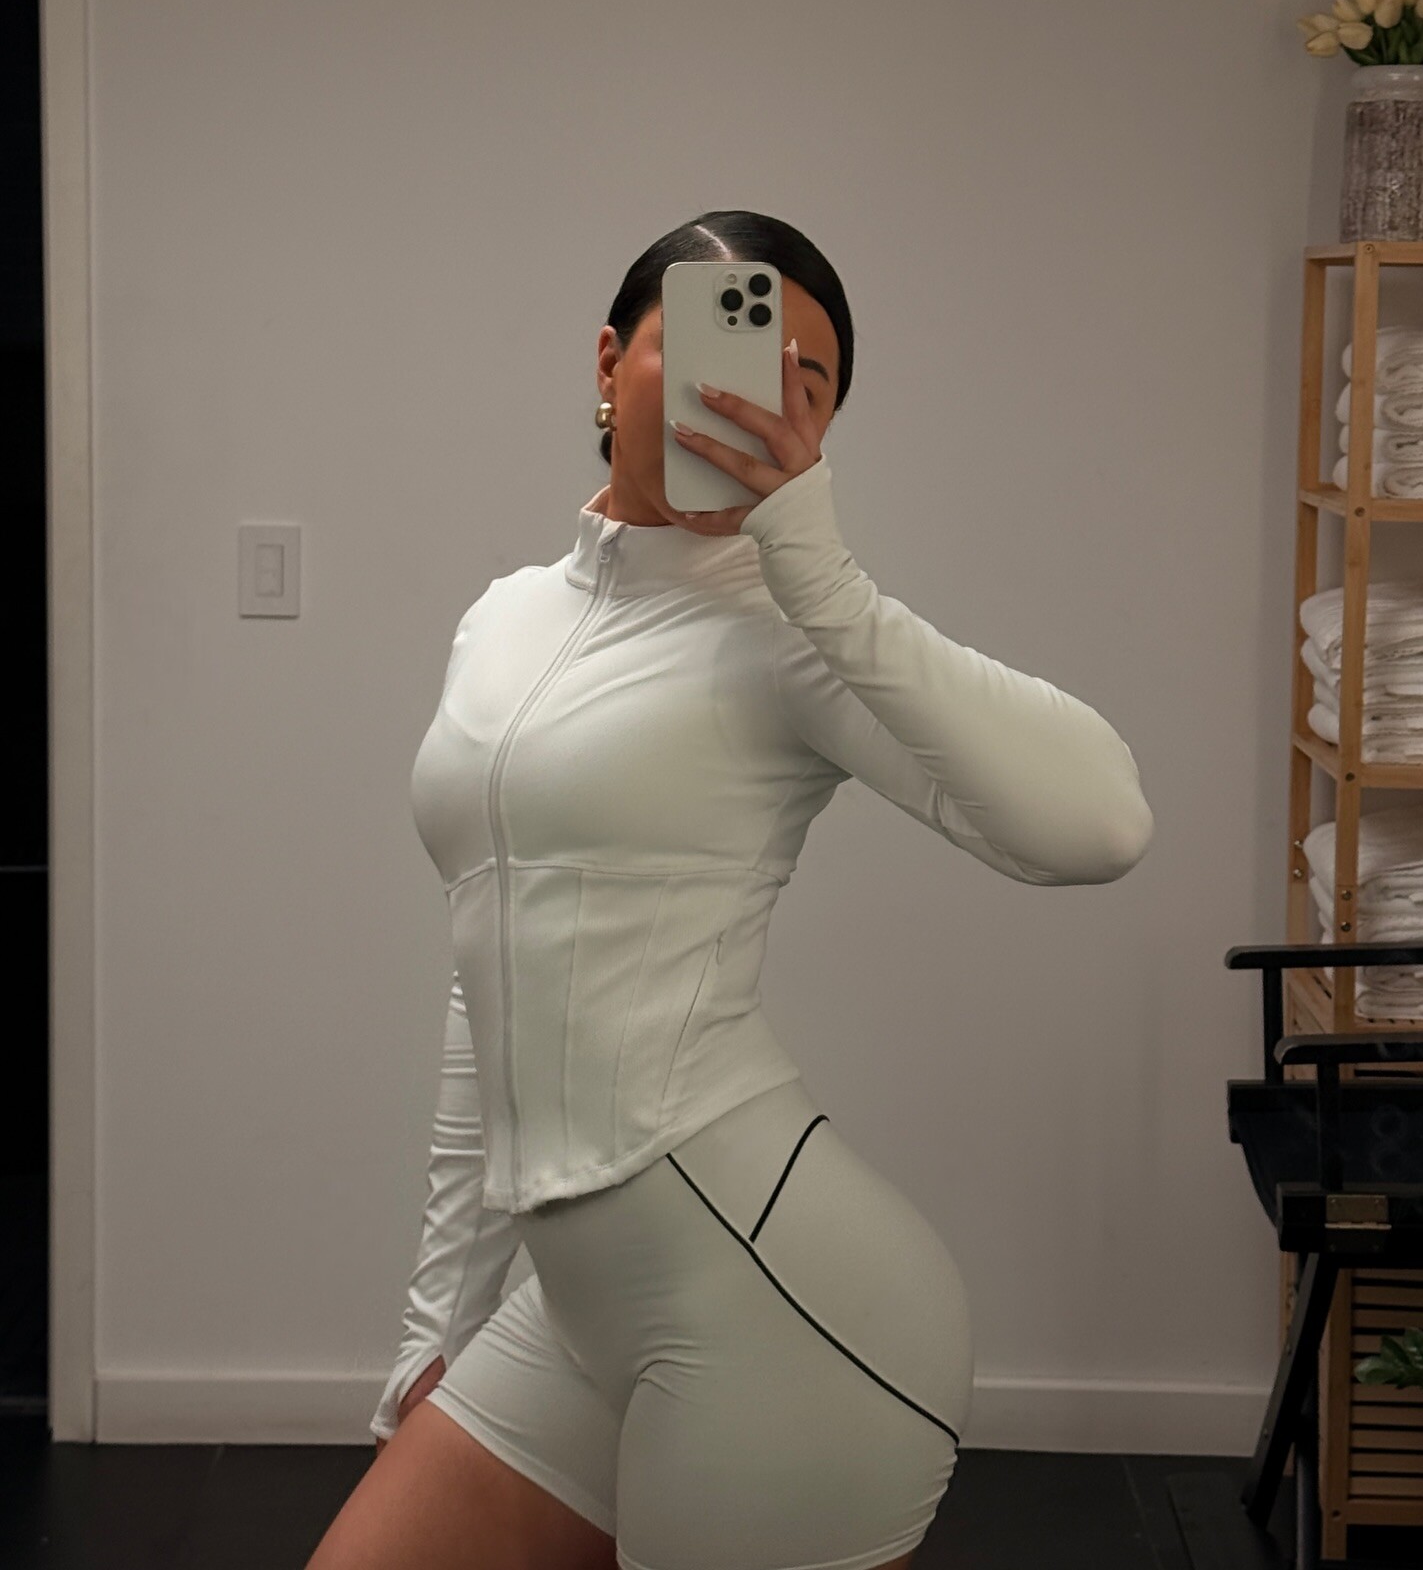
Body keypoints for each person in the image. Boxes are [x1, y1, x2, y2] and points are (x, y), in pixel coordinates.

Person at [307, 211, 1154, 1570]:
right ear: (610, 362)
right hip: (574, 1319)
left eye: (805, 383)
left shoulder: (792, 632)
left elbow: (1099, 825)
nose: (756, 393)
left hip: (785, 1314)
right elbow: (491, 976)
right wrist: (440, 1323)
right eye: (721, 345)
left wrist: (824, 576)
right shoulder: (504, 620)